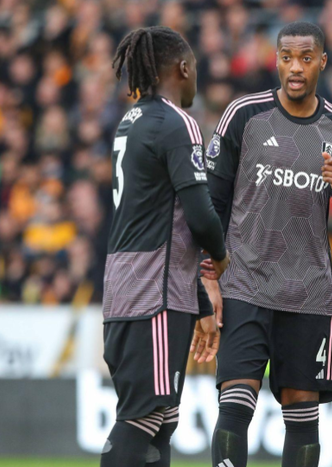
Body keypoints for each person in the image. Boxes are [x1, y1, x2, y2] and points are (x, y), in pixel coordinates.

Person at [203, 21, 332, 467]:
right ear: (276, 59)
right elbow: (212, 204)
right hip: (245, 284)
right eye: (286, 57)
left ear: (322, 62)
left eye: (305, 58)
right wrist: (208, 278)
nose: (295, 67)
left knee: (302, 413)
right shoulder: (244, 115)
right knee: (235, 402)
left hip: (307, 293)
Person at [100, 26, 229, 467]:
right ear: (184, 68)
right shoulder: (176, 122)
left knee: (164, 417)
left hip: (132, 283)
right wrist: (222, 257)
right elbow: (199, 214)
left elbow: (167, 224)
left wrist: (200, 305)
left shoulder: (131, 120)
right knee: (144, 417)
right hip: (152, 292)